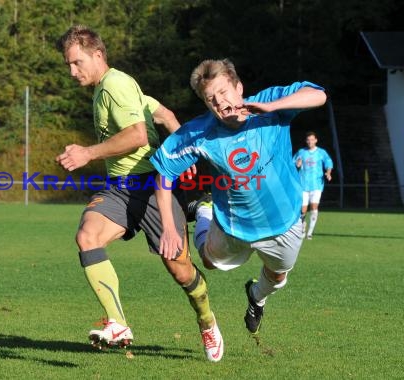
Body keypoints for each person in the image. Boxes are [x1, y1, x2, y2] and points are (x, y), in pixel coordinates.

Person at [55, 25, 223, 362]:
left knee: (182, 271)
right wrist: (183, 149)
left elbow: (137, 137)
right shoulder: (108, 88)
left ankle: (206, 319)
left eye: (76, 63)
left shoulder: (115, 85)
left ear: (97, 55)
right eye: (68, 65)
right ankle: (117, 323)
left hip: (150, 187)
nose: (72, 72)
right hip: (120, 188)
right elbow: (165, 115)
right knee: (88, 236)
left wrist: (88, 153)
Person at [151, 58, 326, 338]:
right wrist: (170, 228)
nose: (220, 102)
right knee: (208, 262)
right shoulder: (200, 133)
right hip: (234, 225)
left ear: (239, 87)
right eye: (211, 100)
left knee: (278, 276)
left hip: (285, 222)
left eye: (223, 92)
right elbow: (163, 172)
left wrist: (273, 107)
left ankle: (257, 298)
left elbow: (319, 95)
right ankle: (205, 212)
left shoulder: (269, 105)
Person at [293, 131, 333, 239]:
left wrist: (328, 172)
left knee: (314, 206)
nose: (310, 141)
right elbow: (294, 163)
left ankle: (309, 233)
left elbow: (328, 163)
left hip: (316, 184)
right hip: (303, 184)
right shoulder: (301, 152)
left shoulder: (321, 152)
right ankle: (302, 228)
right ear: (306, 141)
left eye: (312, 139)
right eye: (308, 140)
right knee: (303, 209)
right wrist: (297, 164)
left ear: (316, 140)